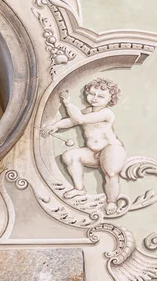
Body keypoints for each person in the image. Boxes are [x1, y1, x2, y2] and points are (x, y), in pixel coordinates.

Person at [41, 78, 126, 213]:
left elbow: (80, 119)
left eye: (101, 96)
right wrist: (55, 126)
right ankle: (79, 189)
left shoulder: (106, 113)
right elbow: (72, 121)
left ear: (111, 99)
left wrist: (68, 104)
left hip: (111, 149)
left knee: (110, 173)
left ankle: (111, 202)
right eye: (92, 94)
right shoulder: (86, 111)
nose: (94, 98)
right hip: (93, 152)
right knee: (70, 156)